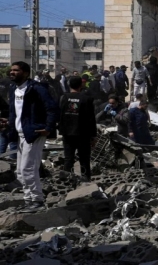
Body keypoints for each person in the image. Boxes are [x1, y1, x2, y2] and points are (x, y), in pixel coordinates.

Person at [8, 62, 58, 209]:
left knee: (28, 169)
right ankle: (28, 200)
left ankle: (37, 200)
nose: (12, 72)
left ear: (25, 73)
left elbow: (52, 108)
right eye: (11, 70)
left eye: (16, 70)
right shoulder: (13, 89)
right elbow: (14, 112)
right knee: (19, 171)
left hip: (34, 133)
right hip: (20, 133)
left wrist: (48, 128)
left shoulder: (36, 88)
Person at [59, 75, 97, 181]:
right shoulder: (87, 99)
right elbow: (91, 119)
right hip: (83, 134)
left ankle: (66, 182)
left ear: (69, 85)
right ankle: (86, 181)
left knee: (68, 158)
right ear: (81, 85)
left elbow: (60, 115)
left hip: (67, 133)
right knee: (84, 159)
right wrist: (93, 136)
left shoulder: (63, 98)